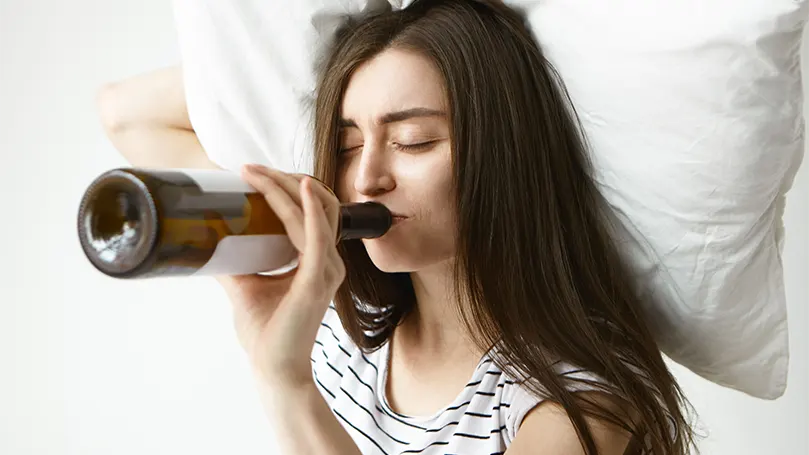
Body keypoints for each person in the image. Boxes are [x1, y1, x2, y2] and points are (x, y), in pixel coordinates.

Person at [97, 0, 698, 453]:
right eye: (346, 144)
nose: (366, 179)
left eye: (413, 141)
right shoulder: (344, 334)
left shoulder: (579, 406)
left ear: (505, 153)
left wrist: (285, 383)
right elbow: (126, 115)